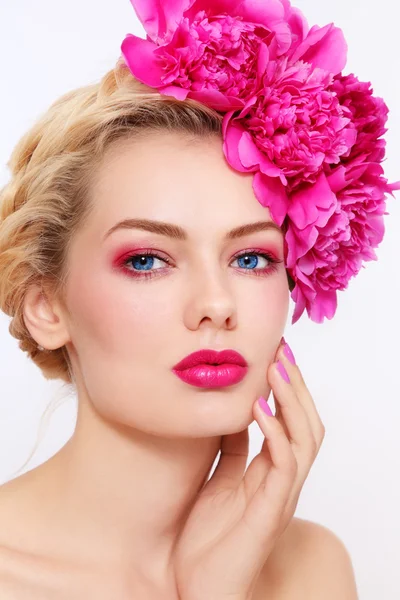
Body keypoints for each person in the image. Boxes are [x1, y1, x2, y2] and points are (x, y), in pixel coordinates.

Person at [2, 0, 396, 594]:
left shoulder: (313, 571)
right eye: (146, 260)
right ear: (46, 306)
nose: (217, 304)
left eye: (252, 258)